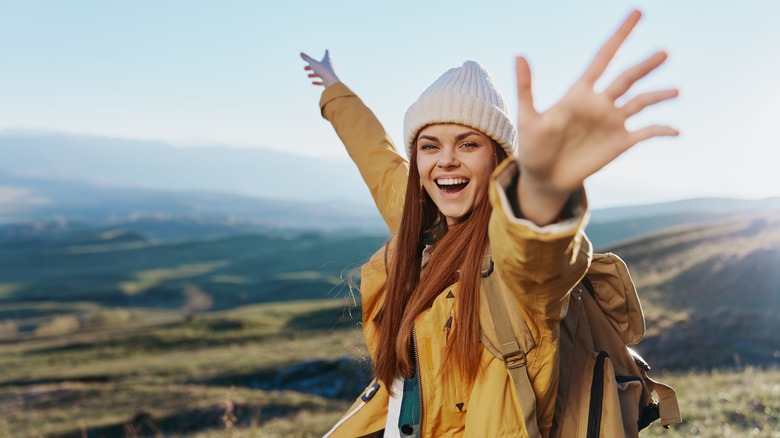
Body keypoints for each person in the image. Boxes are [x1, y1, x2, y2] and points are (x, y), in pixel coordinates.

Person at [301, 10, 677, 438]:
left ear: (498, 158)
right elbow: (376, 157)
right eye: (429, 145)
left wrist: (542, 189)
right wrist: (335, 91)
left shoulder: (512, 272)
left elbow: (537, 255)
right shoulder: (424, 220)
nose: (445, 160)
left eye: (467, 143)